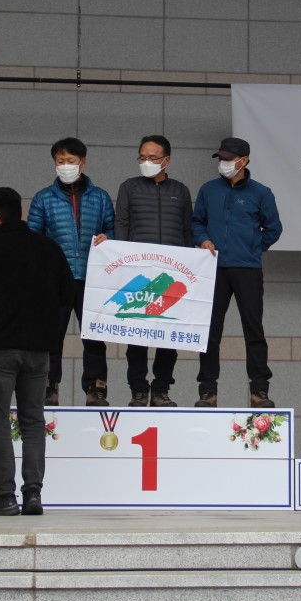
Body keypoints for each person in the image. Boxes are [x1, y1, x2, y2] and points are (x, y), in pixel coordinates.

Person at [0, 187, 74, 516]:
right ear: (21, 213)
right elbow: (67, 294)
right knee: (33, 421)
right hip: (39, 350)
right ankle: (33, 493)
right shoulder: (49, 248)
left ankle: (5, 495)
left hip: (0, 349)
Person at [192, 137, 282, 408]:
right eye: (221, 158)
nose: (223, 163)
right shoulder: (208, 190)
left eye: (228, 159)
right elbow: (196, 222)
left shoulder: (261, 193)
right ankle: (207, 391)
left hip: (247, 269)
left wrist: (253, 248)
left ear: (244, 161)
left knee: (253, 330)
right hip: (214, 268)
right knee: (210, 330)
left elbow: (274, 229)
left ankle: (259, 390)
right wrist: (203, 239)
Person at [28, 137, 115, 407]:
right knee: (51, 335)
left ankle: (96, 387)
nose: (65, 165)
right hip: (55, 279)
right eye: (60, 161)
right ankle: (48, 386)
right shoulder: (43, 198)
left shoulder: (100, 197)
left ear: (82, 163)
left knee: (95, 336)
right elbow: (32, 238)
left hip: (93, 277)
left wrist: (109, 237)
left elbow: (113, 229)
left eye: (71, 160)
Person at [113, 134, 193, 407]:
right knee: (136, 333)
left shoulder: (180, 190)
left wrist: (190, 267)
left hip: (172, 275)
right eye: (142, 157)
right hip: (138, 273)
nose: (146, 162)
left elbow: (187, 231)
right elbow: (121, 224)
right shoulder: (129, 187)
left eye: (152, 157)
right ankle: (138, 388)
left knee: (168, 334)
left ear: (166, 160)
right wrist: (123, 262)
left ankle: (161, 388)